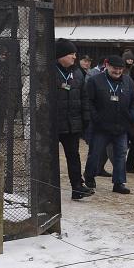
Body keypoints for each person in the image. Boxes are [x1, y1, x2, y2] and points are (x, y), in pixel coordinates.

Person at [83, 54, 134, 196]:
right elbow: (89, 101)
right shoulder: (95, 81)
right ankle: (89, 177)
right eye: (115, 68)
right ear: (107, 66)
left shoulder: (128, 81)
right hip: (101, 126)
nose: (118, 71)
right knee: (95, 153)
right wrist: (96, 117)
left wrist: (131, 116)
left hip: (121, 125)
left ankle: (119, 182)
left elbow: (133, 101)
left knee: (120, 154)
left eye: (120, 69)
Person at [53, 39, 91, 200]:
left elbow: (84, 97)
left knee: (73, 156)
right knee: (49, 159)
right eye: (71, 54)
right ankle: (49, 189)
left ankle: (77, 187)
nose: (75, 57)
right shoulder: (48, 71)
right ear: (61, 55)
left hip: (72, 123)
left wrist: (85, 119)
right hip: (52, 124)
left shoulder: (77, 73)